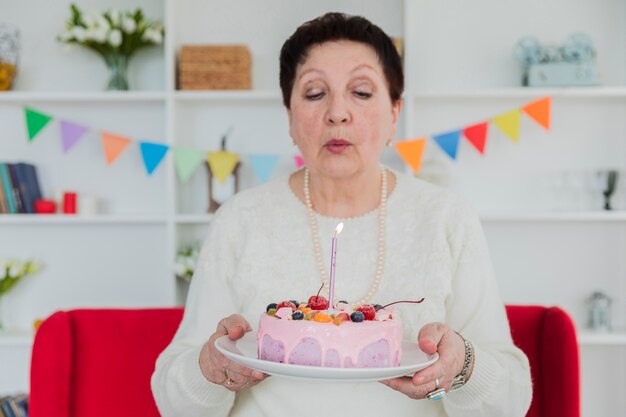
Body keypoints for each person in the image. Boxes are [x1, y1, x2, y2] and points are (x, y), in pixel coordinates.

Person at [152, 12, 532, 417]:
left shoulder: (446, 217)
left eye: (362, 92)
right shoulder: (240, 218)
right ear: (289, 117)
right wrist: (209, 367)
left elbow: (510, 401)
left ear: (394, 114)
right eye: (315, 93)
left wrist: (464, 367)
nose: (337, 113)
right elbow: (173, 401)